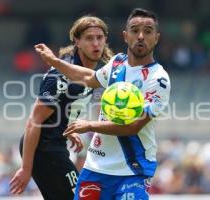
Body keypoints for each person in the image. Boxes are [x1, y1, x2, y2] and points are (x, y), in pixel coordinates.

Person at [35, 8, 171, 200]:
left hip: (133, 170)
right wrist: (54, 62)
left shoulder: (158, 79)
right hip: (96, 168)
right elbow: (89, 77)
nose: (140, 36)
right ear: (125, 36)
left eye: (148, 31)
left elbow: (133, 126)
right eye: (134, 30)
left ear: (156, 38)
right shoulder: (117, 64)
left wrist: (89, 125)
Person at [9, 15, 113, 200]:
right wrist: (26, 169)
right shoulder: (61, 77)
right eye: (89, 38)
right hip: (44, 148)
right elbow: (34, 122)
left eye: (99, 37)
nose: (95, 43)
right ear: (77, 42)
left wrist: (67, 127)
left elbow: (62, 109)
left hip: (55, 145)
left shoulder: (89, 74)